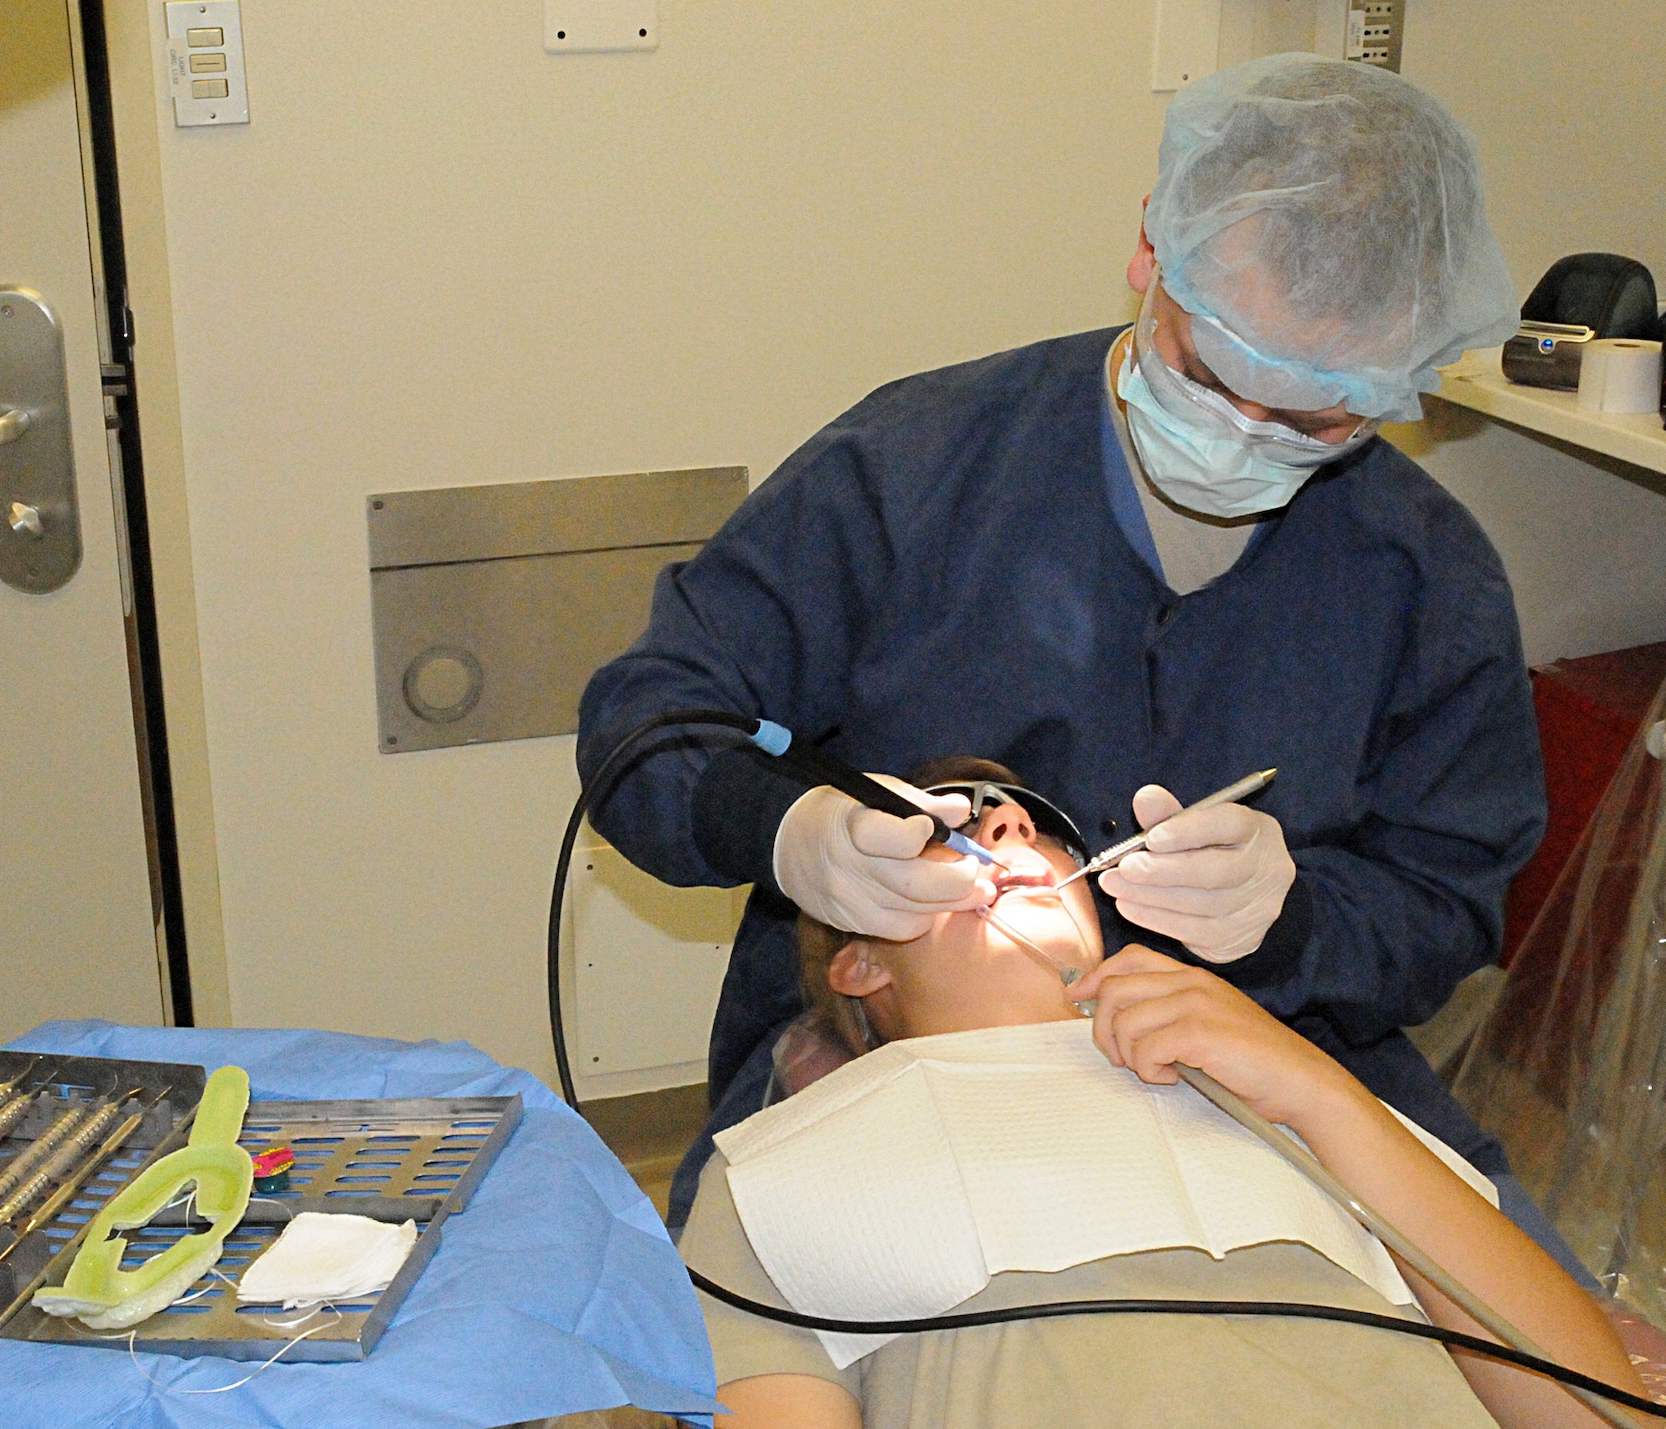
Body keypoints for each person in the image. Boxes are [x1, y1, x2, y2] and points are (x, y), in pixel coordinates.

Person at [575, 54, 1553, 1247]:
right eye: (1209, 375)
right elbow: (651, 718)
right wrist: (776, 827)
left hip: (1270, 1054)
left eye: (1310, 419)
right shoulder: (913, 472)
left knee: (1524, 1321)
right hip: (891, 1076)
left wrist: (1291, 920)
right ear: (1152, 250)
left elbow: (1443, 899)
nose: (1242, 435)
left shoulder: (1424, 579)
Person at [681, 761, 1642, 1428]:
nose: (1009, 824)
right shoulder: (780, 1174)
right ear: (857, 964)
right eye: (955, 828)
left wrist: (1315, 1087)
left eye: (1026, 822)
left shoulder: (1284, 1092)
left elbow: (1598, 1404)